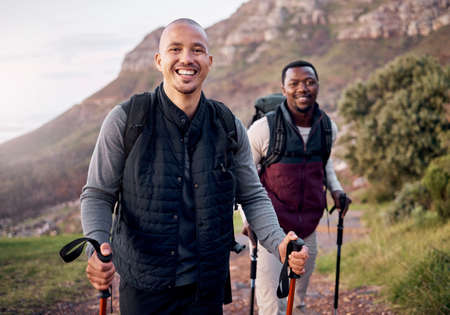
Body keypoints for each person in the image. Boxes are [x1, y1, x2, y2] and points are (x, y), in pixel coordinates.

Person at [80, 19, 309, 315]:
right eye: (175, 49)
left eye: (197, 50)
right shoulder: (126, 119)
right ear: (159, 60)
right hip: (144, 289)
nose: (186, 58)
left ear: (209, 62)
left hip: (207, 288)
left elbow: (252, 195)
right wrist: (96, 245)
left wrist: (279, 242)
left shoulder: (228, 126)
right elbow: (98, 194)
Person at [241, 60, 351, 314]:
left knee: (297, 298)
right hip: (270, 228)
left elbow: (324, 163)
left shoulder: (326, 128)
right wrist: (247, 220)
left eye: (309, 82)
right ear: (283, 89)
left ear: (318, 86)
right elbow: (243, 177)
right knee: (272, 306)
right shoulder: (263, 129)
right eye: (295, 83)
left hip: (308, 227)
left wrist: (336, 190)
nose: (303, 88)